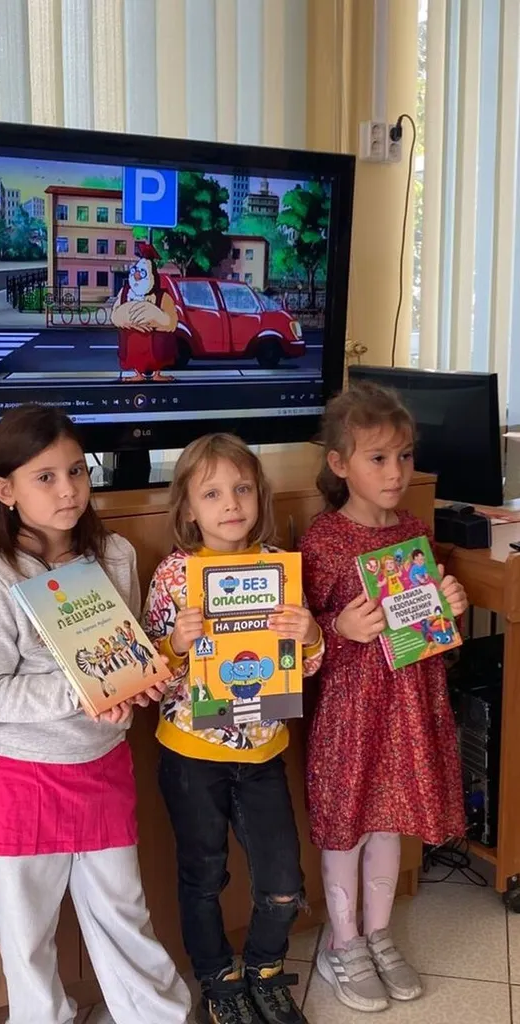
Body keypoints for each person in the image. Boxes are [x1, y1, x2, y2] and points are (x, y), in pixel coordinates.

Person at [0, 404, 190, 1024]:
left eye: (77, 471)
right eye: (46, 477)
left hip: (99, 763)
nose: (68, 490)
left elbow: (128, 655)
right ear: (6, 492)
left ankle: (157, 1017)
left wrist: (129, 693)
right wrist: (83, 690)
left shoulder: (115, 554)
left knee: (124, 913)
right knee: (26, 934)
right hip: (19, 776)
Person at [142, 433, 324, 1024]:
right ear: (188, 508)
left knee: (283, 880)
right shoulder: (174, 575)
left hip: (263, 752)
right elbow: (148, 676)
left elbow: (304, 667)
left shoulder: (277, 568)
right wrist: (175, 644)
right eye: (213, 493)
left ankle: (266, 968)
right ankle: (218, 979)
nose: (231, 504)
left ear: (260, 497)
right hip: (191, 756)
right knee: (202, 876)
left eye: (242, 489)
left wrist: (310, 635)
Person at [299, 383, 468, 1013]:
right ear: (340, 464)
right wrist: (339, 627)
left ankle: (378, 935)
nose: (396, 472)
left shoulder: (414, 530)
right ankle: (342, 943)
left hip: (406, 705)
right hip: (350, 710)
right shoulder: (324, 540)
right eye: (378, 458)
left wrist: (451, 606)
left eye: (404, 456)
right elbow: (301, 637)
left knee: (389, 818)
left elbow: (428, 628)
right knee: (347, 825)